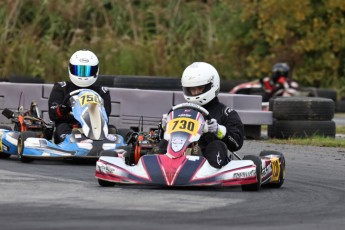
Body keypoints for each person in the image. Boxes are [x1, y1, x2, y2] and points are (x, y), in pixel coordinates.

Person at [159, 62, 244, 169]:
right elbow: (164, 137)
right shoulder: (178, 110)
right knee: (163, 143)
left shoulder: (226, 113)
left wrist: (219, 130)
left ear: (212, 85)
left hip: (206, 157)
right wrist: (163, 128)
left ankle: (209, 170)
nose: (194, 92)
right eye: (191, 89)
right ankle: (156, 168)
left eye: (199, 88)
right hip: (178, 153)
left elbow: (236, 143)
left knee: (217, 145)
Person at [48, 49, 111, 143]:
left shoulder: (102, 92)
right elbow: (53, 113)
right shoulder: (61, 88)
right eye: (79, 70)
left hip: (95, 128)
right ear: (71, 69)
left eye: (87, 71)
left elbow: (105, 114)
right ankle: (69, 142)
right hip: (70, 127)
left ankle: (100, 142)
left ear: (95, 71)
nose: (83, 75)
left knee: (112, 129)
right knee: (62, 126)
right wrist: (61, 110)